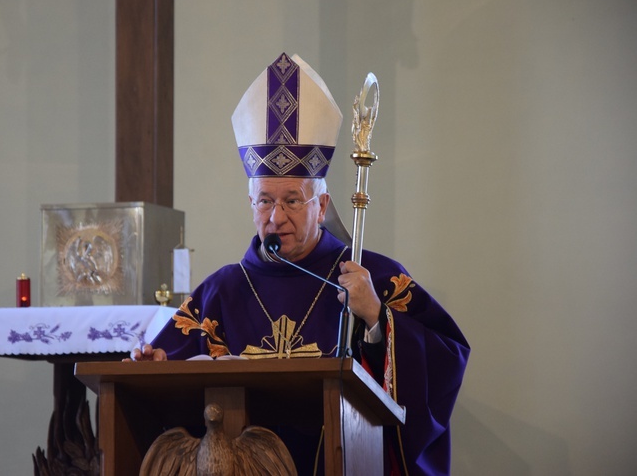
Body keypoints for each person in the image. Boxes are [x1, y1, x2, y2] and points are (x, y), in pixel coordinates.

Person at [127, 53, 470, 476]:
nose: (276, 217)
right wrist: (156, 366)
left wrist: (377, 319)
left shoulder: (369, 276)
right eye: (265, 201)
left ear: (321, 205)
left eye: (292, 201)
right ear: (250, 204)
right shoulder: (222, 291)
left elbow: (447, 359)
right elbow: (169, 386)